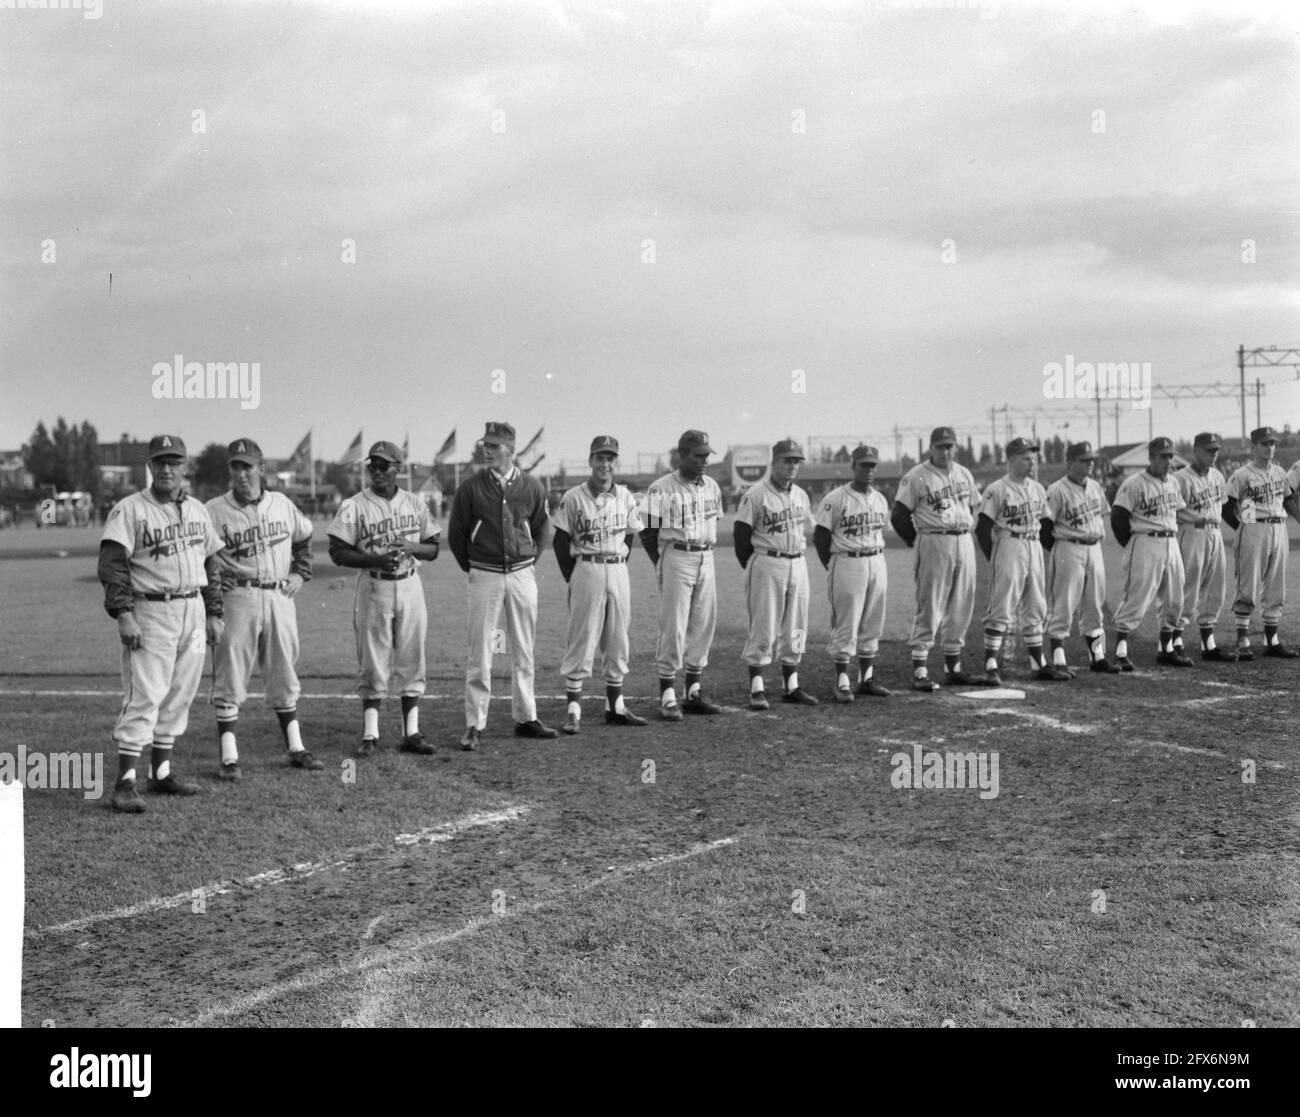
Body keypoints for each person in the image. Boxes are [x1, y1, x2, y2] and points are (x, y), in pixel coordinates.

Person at [97, 435, 225, 813]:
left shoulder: (199, 510)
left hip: (193, 609)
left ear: (186, 467)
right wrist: (123, 613)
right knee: (146, 695)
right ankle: (124, 784)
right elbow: (112, 565)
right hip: (151, 610)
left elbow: (211, 565)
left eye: (174, 461)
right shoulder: (130, 509)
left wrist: (215, 611)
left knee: (180, 694)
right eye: (160, 462)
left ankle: (162, 773)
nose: (167, 468)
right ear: (149, 467)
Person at [205, 439, 320, 779]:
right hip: (238, 597)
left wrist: (301, 573)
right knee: (231, 674)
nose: (241, 473)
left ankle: (296, 748)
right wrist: (213, 583)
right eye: (235, 467)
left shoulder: (282, 504)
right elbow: (199, 554)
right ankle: (229, 757)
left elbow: (304, 537)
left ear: (261, 468)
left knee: (284, 672)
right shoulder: (213, 510)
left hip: (280, 596)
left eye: (247, 466)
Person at [327, 440, 441, 757]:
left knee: (412, 656)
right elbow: (337, 552)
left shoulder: (415, 504)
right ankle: (370, 734)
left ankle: (412, 733)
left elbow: (433, 547)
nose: (377, 471)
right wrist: (374, 560)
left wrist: (411, 547)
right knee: (372, 660)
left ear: (397, 469)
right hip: (374, 586)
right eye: (372, 466)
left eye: (384, 466)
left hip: (409, 584)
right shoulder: (354, 505)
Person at [448, 422, 557, 750]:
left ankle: (526, 717)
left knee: (524, 648)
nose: (488, 450)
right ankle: (474, 724)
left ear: (511, 449)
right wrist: (476, 566)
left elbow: (541, 529)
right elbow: (457, 535)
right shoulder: (470, 488)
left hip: (522, 574)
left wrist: (527, 559)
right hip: (485, 574)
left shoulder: (532, 487)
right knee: (481, 651)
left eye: (495, 446)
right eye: (486, 444)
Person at [551, 435, 647, 734]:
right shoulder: (573, 497)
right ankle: (573, 711)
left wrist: (616, 566)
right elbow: (559, 542)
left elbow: (630, 535)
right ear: (590, 460)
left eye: (610, 458)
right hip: (587, 568)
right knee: (582, 637)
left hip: (617, 569)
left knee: (618, 637)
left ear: (615, 462)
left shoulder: (626, 497)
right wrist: (576, 576)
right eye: (599, 458)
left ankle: (615, 707)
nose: (605, 463)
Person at [640, 431, 726, 719]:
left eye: (706, 455)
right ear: (682, 455)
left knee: (703, 623)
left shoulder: (712, 486)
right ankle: (667, 694)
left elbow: (715, 521)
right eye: (698, 455)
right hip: (676, 554)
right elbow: (648, 532)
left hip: (706, 555)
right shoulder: (659, 488)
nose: (704, 460)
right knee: (674, 625)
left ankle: (693, 691)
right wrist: (662, 562)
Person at [890, 426, 982, 690]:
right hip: (934, 539)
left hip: (963, 539)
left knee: (961, 605)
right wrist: (916, 540)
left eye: (949, 446)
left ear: (956, 447)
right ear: (931, 448)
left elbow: (974, 505)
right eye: (940, 446)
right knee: (930, 604)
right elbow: (899, 514)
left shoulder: (964, 473)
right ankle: (919, 670)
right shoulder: (917, 476)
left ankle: (953, 668)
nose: (945, 451)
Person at [734, 439, 818, 709]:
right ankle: (756, 687)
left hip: (798, 563)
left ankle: (791, 684)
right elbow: (741, 538)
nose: (793, 465)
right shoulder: (756, 494)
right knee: (764, 625)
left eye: (796, 461)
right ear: (774, 462)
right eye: (787, 460)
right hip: (768, 562)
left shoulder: (801, 495)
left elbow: (810, 529)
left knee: (797, 627)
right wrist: (757, 565)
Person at [813, 444, 891, 701]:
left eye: (872, 465)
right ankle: (842, 680)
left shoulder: (880, 498)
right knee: (847, 622)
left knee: (872, 621)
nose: (868, 469)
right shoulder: (835, 498)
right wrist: (834, 565)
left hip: (876, 560)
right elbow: (821, 537)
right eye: (863, 465)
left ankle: (866, 680)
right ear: (853, 466)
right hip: (847, 561)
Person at [975, 437, 1055, 683]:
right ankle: (990, 664)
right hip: (1008, 543)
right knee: (1002, 604)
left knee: (1036, 604)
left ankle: (1038, 663)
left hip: (1032, 545)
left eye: (1033, 458)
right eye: (1025, 458)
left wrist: (1046, 549)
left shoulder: (1038, 488)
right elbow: (983, 527)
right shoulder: (997, 489)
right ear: (1011, 460)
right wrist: (995, 558)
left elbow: (1046, 523)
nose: (1031, 463)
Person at [1041, 441, 1120, 674]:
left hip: (1094, 548)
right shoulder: (1056, 490)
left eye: (1091, 460)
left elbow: (1102, 516)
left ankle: (1098, 656)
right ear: (1070, 463)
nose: (1090, 464)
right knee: (1063, 604)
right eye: (1085, 460)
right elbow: (1045, 528)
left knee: (1095, 605)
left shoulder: (1096, 487)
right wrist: (1060, 550)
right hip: (1068, 547)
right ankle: (1058, 659)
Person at [1222, 426, 1300, 658]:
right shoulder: (1242, 474)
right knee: (1248, 584)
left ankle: (1272, 640)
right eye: (1265, 444)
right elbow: (1227, 506)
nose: (1270, 447)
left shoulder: (1279, 473)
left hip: (1279, 528)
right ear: (1254, 446)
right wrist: (1243, 527)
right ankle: (1243, 641)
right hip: (1254, 526)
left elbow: (1288, 500)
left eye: (1272, 443)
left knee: (1276, 586)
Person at [1110, 437, 1188, 669]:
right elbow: (1118, 518)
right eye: (1163, 456)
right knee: (1136, 597)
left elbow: (1179, 513)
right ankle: (1121, 651)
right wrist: (1134, 544)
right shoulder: (1134, 483)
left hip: (1170, 542)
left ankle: (1166, 649)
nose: (1168, 460)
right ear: (1151, 457)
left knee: (1175, 600)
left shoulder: (1173, 483)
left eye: (1171, 456)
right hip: (1145, 541)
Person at [1174, 432, 1233, 661]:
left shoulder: (1218, 476)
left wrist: (1243, 527)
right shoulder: (1180, 478)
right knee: (1188, 586)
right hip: (1191, 531)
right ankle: (1175, 640)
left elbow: (1226, 507)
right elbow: (1171, 511)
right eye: (1208, 450)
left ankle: (1208, 643)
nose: (1213, 454)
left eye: (1215, 450)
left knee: (1216, 588)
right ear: (1195, 450)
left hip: (1214, 532)